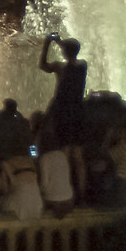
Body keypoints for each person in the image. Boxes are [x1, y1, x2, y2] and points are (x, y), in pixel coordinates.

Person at [40, 35, 89, 202]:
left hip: (62, 113)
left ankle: (66, 190)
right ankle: (81, 193)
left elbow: (43, 65)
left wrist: (48, 43)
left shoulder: (60, 67)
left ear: (63, 52)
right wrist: (61, 42)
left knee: (66, 154)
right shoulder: (83, 66)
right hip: (78, 112)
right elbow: (71, 51)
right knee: (79, 156)